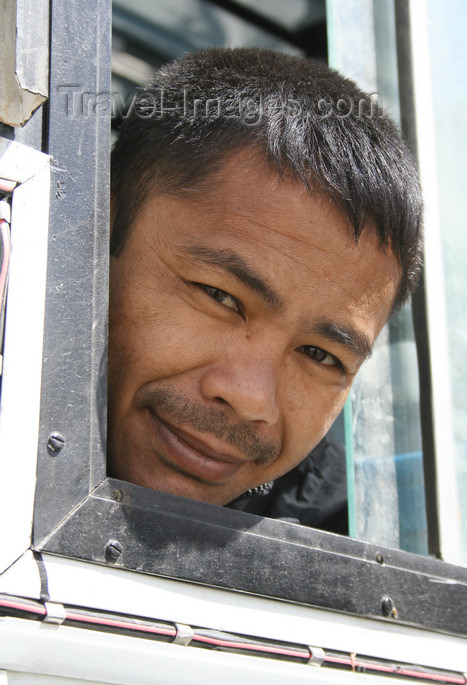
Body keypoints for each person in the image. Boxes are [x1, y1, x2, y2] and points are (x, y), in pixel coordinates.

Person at [107, 47, 422, 528]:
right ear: (96, 230)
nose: (252, 399)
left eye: (321, 355)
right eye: (221, 297)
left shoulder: (350, 537)